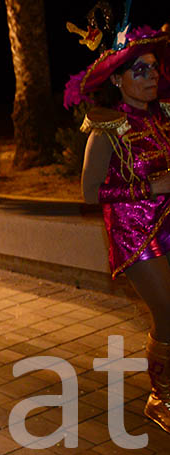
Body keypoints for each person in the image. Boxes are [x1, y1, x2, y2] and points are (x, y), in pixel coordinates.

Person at [70, 25, 170, 433]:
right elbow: (90, 192)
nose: (150, 78)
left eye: (153, 69)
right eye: (139, 71)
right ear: (117, 79)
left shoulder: (163, 116)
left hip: (168, 225)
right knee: (167, 312)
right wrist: (149, 186)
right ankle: (161, 397)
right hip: (136, 238)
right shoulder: (108, 125)